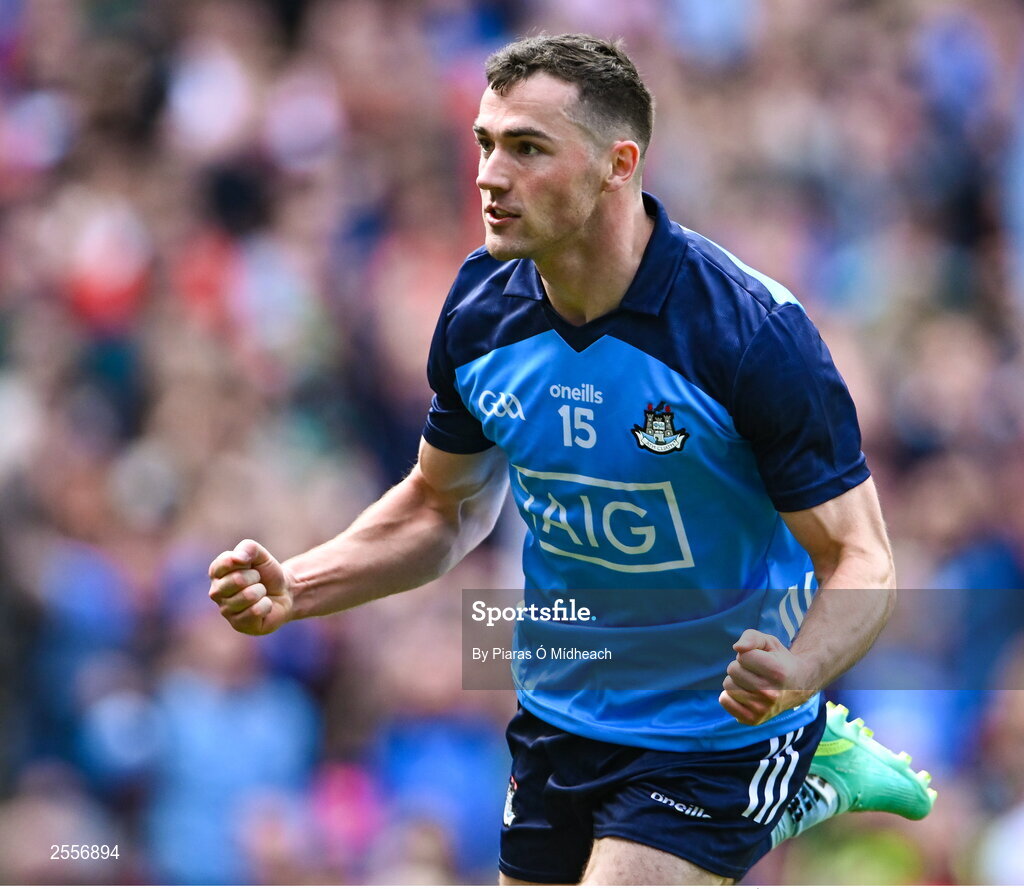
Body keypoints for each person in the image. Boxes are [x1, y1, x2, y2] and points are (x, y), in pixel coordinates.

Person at [209, 34, 935, 885]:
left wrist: (799, 671)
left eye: (527, 148)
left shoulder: (749, 333)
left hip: (716, 732)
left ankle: (798, 752)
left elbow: (861, 555)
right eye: (485, 143)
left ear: (617, 164)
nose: (490, 174)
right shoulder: (481, 312)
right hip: (561, 713)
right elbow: (440, 508)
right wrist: (299, 586)